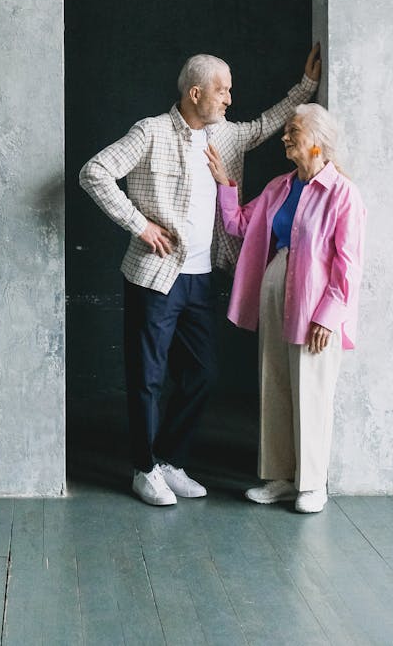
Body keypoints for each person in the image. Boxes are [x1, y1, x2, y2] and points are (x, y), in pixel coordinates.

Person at [79, 45, 321, 506]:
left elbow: (270, 122)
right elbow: (95, 172)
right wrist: (140, 225)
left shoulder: (225, 136)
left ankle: (170, 460)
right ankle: (144, 469)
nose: (229, 99)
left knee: (203, 373)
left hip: (201, 277)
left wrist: (306, 87)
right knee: (148, 376)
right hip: (155, 276)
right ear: (195, 93)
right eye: (222, 90)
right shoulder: (150, 132)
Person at [205, 103, 365, 514]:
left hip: (316, 300)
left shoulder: (343, 193)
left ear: (317, 141)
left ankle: (311, 484)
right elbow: (239, 224)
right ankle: (279, 477)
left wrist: (329, 316)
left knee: (312, 388)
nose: (285, 137)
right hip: (275, 285)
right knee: (274, 380)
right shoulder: (280, 186)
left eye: (293, 131)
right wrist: (225, 185)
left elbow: (348, 264)